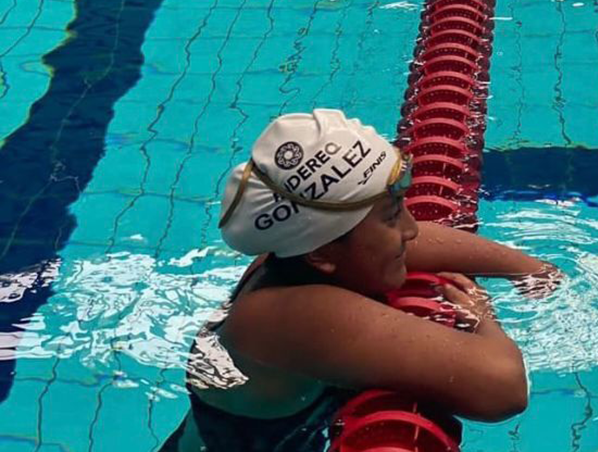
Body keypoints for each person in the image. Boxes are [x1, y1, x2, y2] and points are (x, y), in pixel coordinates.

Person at [161, 109, 560, 452]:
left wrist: (526, 267)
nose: (411, 230)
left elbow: (421, 240)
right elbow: (503, 389)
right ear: (322, 253)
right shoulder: (302, 316)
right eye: (391, 217)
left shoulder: (297, 255)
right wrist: (479, 318)